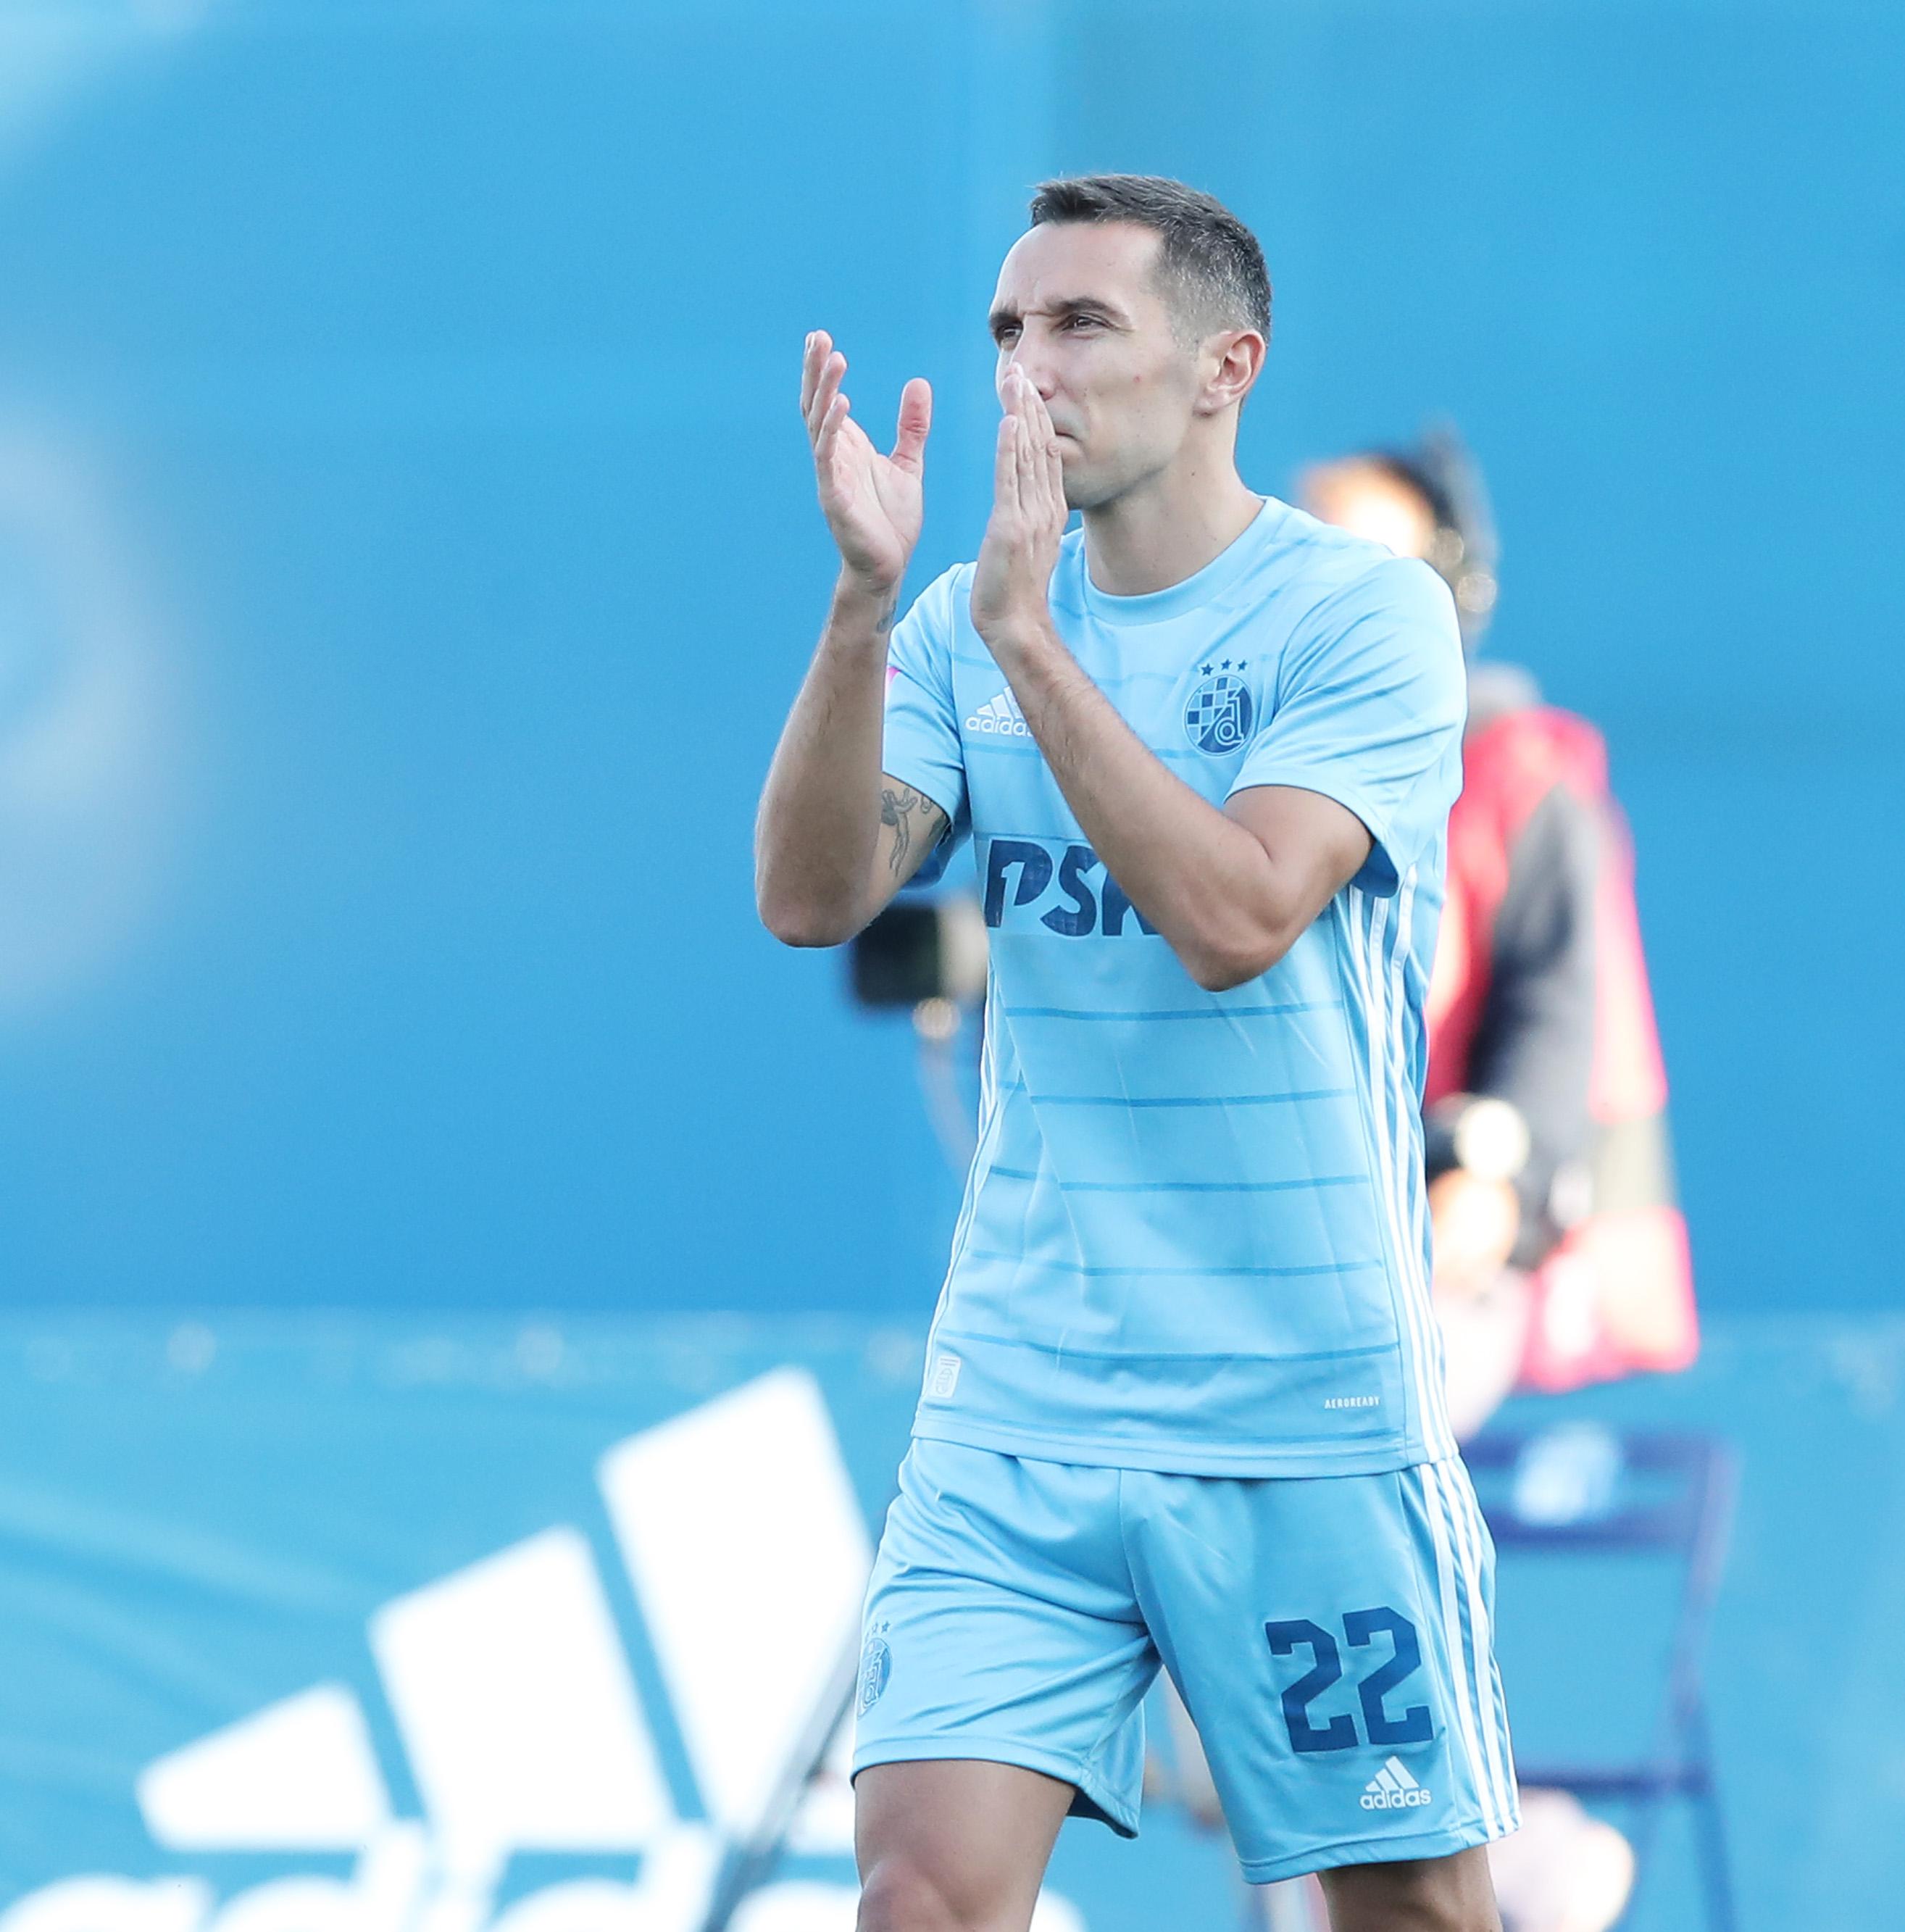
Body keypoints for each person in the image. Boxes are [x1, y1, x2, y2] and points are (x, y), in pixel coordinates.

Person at [755, 174, 1516, 1932]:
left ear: (1223, 367)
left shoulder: (1360, 616)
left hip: (1301, 1407)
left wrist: (1028, 643)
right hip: (1020, 1403)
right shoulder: (952, 623)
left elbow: (1237, 913)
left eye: (1081, 323)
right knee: (918, 1898)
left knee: (1409, 1911)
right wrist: (867, 600)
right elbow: (808, 897)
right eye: (1007, 329)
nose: (1027, 368)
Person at [1300, 438, 1697, 1434]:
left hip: (1450, 1255)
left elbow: (1548, 1037)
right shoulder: (1248, 771)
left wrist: (1484, 1193)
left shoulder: (1522, 790)